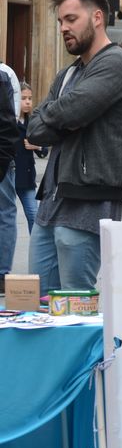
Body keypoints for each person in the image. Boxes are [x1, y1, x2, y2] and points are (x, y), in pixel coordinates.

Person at [26, 0, 122, 294]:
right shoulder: (69, 74)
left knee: (75, 306)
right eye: (61, 21)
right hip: (51, 200)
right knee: (36, 303)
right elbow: (35, 127)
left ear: (97, 17)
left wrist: (63, 117)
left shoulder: (117, 63)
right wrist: (62, 118)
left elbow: (71, 112)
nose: (64, 28)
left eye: (71, 19)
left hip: (89, 202)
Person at [14, 82, 47, 233]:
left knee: (34, 215)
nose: (27, 102)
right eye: (23, 98)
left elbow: (44, 150)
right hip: (8, 176)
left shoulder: (33, 122)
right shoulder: (8, 122)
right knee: (7, 216)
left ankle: (36, 252)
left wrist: (37, 146)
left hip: (26, 178)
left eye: (30, 98)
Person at [0, 72, 20, 292]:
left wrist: (3, 160)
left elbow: (7, 123)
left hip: (2, 160)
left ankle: (2, 273)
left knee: (4, 212)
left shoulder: (3, 77)